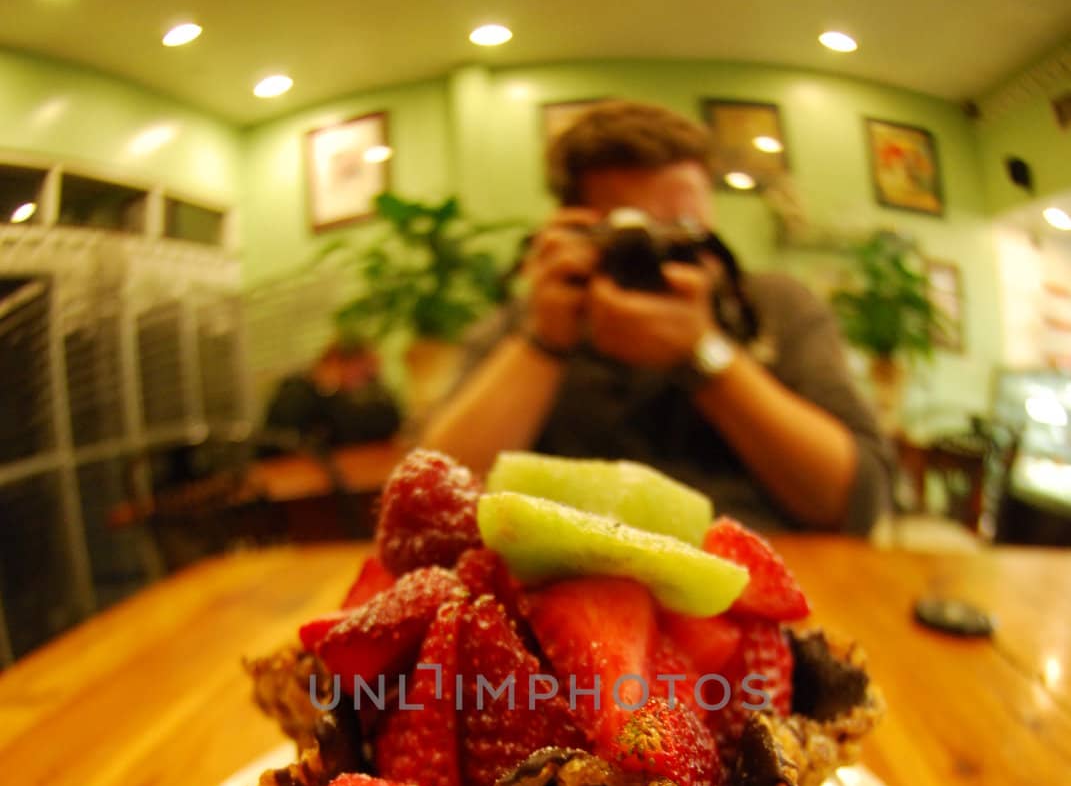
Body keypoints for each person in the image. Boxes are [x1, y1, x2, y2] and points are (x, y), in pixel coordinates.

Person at [423, 101, 892, 533]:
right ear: (571, 226)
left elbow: (856, 503)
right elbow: (433, 503)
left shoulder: (774, 306)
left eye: (685, 234)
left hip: (760, 572)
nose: (660, 261)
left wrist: (705, 355)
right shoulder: (531, 320)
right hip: (569, 580)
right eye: (634, 236)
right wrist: (544, 342)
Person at [260, 340, 401, 457]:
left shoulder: (344, 398)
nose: (364, 382)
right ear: (335, 362)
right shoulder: (294, 393)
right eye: (363, 373)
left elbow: (388, 424)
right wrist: (328, 390)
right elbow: (286, 442)